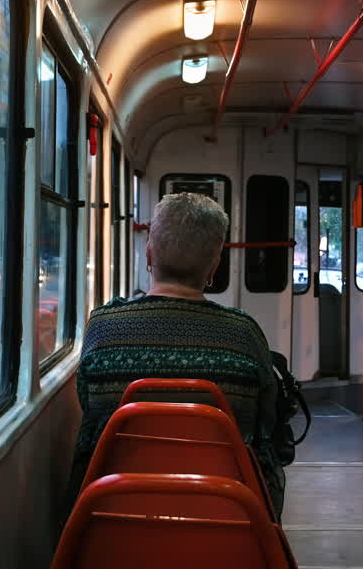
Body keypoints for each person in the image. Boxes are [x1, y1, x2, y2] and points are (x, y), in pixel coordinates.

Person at [69, 192, 286, 514]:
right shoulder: (243, 333)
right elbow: (264, 422)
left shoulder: (103, 327)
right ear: (214, 266)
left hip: (114, 510)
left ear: (149, 254)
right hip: (223, 510)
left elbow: (89, 408)